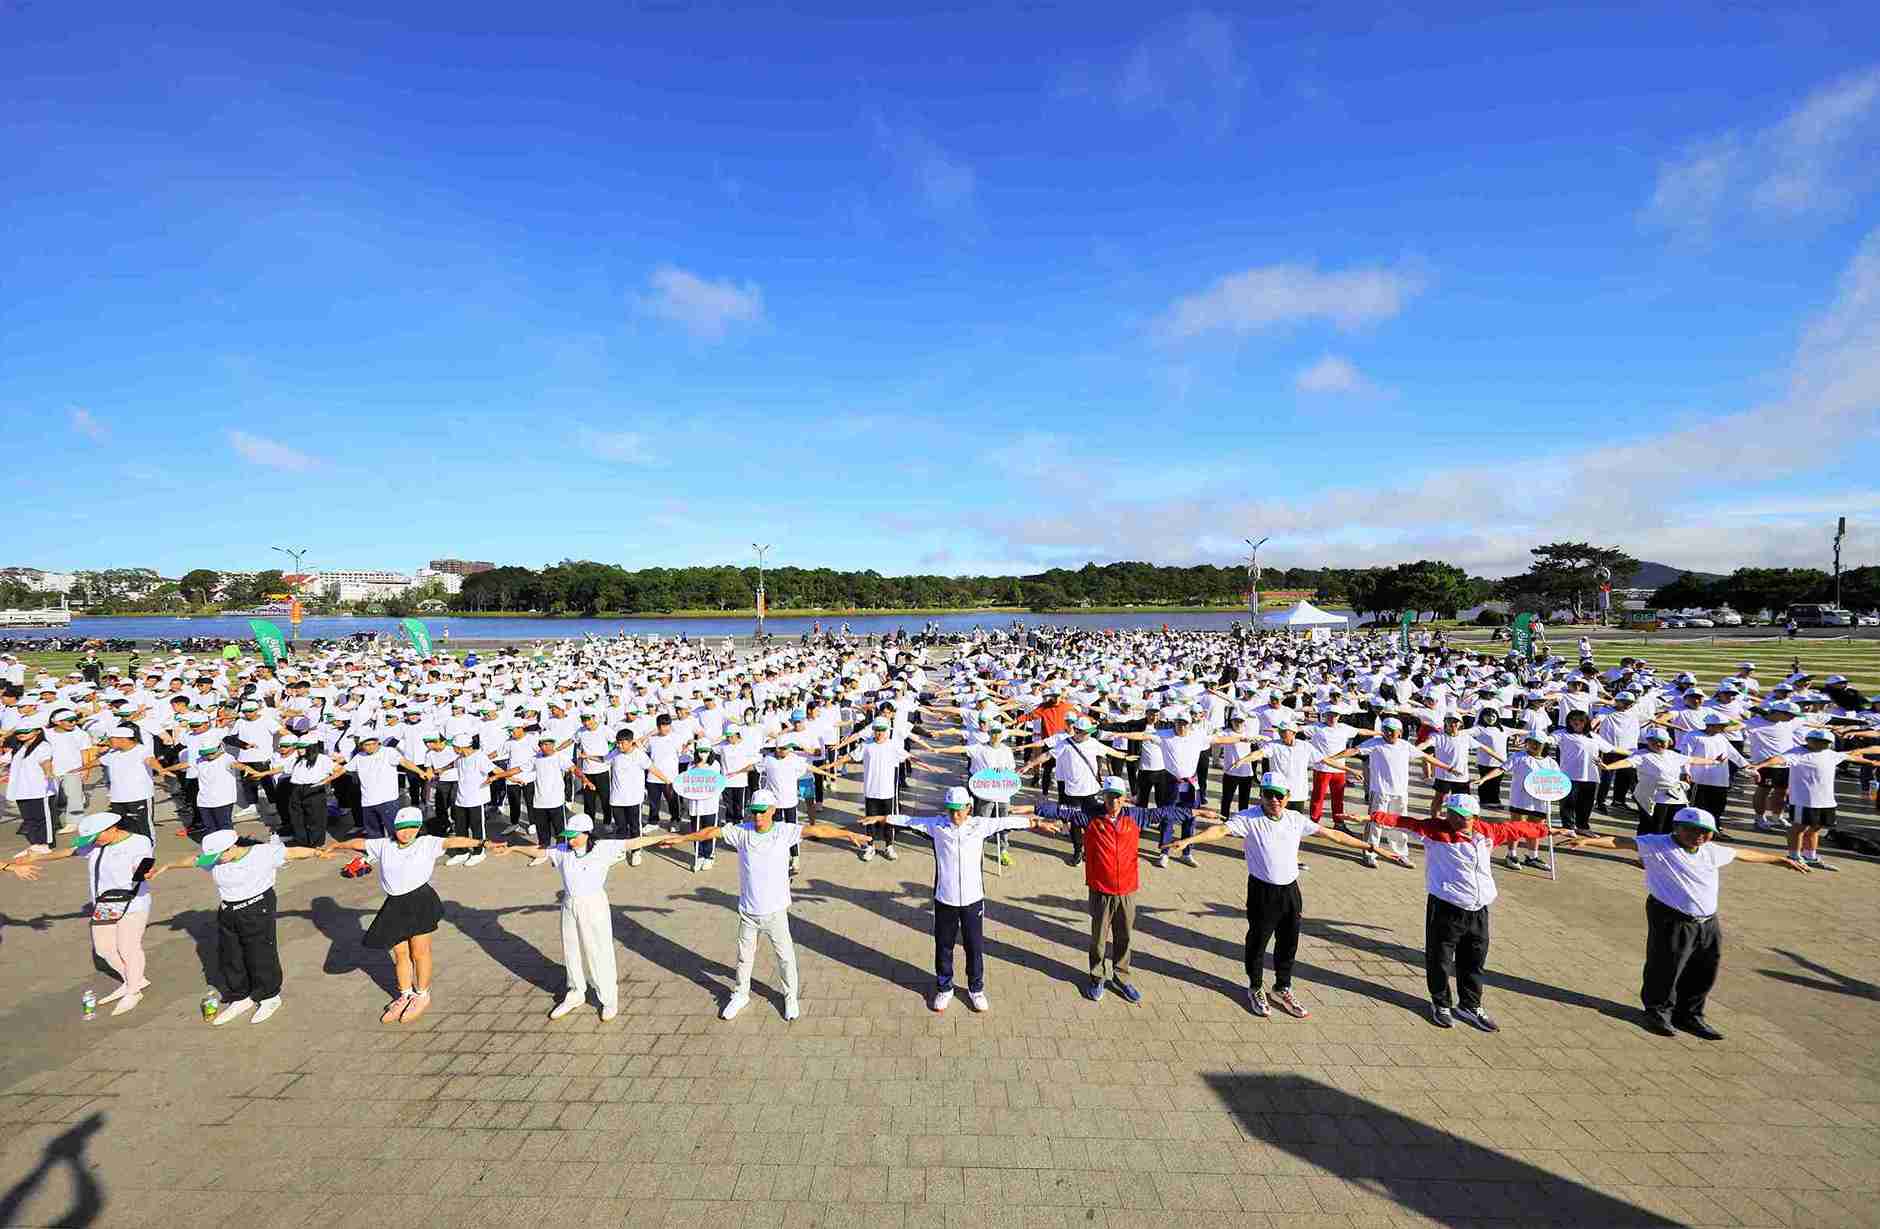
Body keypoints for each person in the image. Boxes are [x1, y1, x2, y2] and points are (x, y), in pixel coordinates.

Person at [1562, 806, 1809, 1039]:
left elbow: (1743, 853)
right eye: (1690, 830)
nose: (1698, 836)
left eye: (1705, 832)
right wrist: (1587, 840)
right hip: (1672, 917)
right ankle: (1657, 1013)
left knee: (1704, 970)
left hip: (1708, 922)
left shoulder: (1712, 851)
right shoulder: (1658, 844)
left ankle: (1690, 1015)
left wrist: (1779, 859)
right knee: (1666, 966)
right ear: (1677, 828)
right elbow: (1620, 842)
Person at [1164, 772, 1377, 1019]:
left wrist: (1370, 847)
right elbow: (1220, 830)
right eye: (1268, 794)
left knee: (1289, 943)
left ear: (1287, 796)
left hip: (1290, 891)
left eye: (1278, 795)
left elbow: (1334, 835)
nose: (1273, 800)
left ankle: (1282, 987)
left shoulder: (1296, 819)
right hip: (1262, 891)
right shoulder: (1249, 818)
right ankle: (1255, 987)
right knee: (1258, 942)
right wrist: (1190, 840)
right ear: (1261, 795)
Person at [661, 788, 866, 1022]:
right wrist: (683, 839)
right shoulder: (742, 832)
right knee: (744, 957)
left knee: (785, 957)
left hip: (776, 912)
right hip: (748, 911)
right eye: (754, 812)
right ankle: (740, 994)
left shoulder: (784, 832)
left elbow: (817, 829)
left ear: (773, 811)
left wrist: (847, 834)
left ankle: (790, 997)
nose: (757, 817)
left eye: (762, 812)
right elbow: (711, 832)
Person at [1367, 793, 1568, 1030]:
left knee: (1474, 960)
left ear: (1475, 816)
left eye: (1462, 816)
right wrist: (1372, 817)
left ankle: (1470, 1006)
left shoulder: (1488, 832)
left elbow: (1518, 829)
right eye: (1451, 814)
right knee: (1440, 959)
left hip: (1479, 909)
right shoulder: (1435, 831)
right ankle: (1440, 1003)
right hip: (1446, 906)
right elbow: (1405, 822)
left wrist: (1548, 831)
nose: (1455, 819)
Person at [880, 785, 1060, 1013]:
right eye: (951, 810)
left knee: (974, 947)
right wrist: (882, 817)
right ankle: (945, 988)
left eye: (959, 810)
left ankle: (976, 989)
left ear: (969, 808)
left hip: (973, 900)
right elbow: (907, 820)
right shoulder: (936, 826)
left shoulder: (979, 825)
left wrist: (1035, 823)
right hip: (945, 899)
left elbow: (1006, 822)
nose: (955, 815)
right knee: (943, 946)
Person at [326, 806, 492, 1023]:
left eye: (412, 828)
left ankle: (422, 995)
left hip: (420, 902)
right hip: (394, 905)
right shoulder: (384, 844)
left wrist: (481, 843)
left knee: (419, 952)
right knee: (400, 953)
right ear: (394, 828)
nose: (406, 832)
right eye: (401, 828)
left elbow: (453, 842)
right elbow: (358, 843)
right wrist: (337, 845)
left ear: (418, 827)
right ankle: (405, 994)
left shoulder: (427, 843)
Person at [145, 829, 326, 1025]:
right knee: (231, 955)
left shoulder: (261, 853)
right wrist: (166, 866)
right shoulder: (215, 858)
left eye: (220, 855)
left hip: (256, 907)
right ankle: (240, 996)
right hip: (228, 910)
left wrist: (317, 852)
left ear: (232, 847)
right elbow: (194, 860)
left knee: (259, 953)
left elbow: (292, 852)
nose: (217, 860)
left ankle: (269, 996)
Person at [508, 814, 666, 1021]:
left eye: (574, 836)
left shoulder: (603, 848)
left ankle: (608, 998)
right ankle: (575, 993)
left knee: (598, 950)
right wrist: (513, 848)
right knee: (571, 949)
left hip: (594, 904)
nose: (570, 840)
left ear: (587, 833)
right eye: (568, 836)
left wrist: (667, 836)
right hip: (569, 904)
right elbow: (541, 851)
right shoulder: (563, 850)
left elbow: (636, 841)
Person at [9, 812, 157, 1015]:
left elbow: (145, 864)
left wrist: (142, 871)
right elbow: (69, 851)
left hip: (132, 903)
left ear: (112, 829)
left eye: (96, 837)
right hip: (105, 905)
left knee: (128, 947)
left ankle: (133, 992)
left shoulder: (139, 842)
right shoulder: (96, 844)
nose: (93, 842)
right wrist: (37, 857)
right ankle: (134, 979)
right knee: (104, 949)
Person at [1753, 727, 1880, 870]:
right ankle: (1794, 857)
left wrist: (1872, 763)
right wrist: (1758, 766)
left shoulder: (1831, 754)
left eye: (1825, 742)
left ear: (1829, 743)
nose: (1821, 744)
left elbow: (1850, 757)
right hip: (1803, 800)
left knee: (1815, 829)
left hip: (1826, 801)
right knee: (1798, 828)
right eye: (1817, 741)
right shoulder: (1796, 753)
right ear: (1808, 741)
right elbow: (1778, 759)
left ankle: (1810, 857)